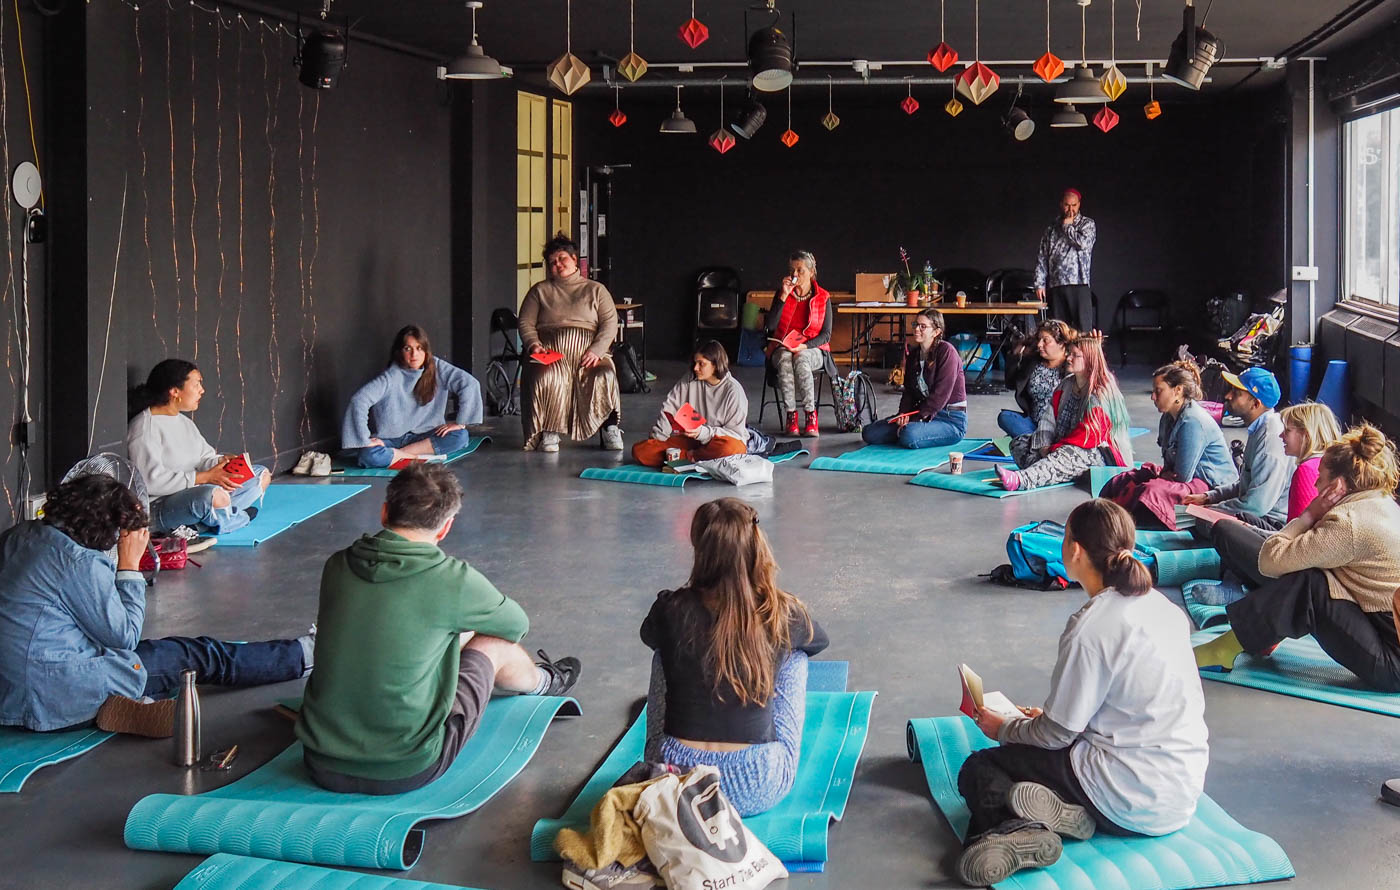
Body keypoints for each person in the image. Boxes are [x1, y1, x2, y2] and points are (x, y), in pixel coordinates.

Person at [955, 498, 1207, 887]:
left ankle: (1020, 830)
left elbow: (1058, 735)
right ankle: (1069, 813)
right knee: (1039, 745)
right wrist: (1043, 720)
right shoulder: (1165, 609)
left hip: (1124, 797)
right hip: (1179, 796)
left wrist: (1004, 727)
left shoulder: (1091, 627)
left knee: (980, 767)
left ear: (1073, 550)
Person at [297, 463, 581, 794]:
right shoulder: (453, 579)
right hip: (407, 767)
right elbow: (516, 626)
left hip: (319, 761)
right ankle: (545, 683)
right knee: (491, 643)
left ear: (384, 511)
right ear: (445, 528)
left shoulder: (337, 564)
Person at [0, 474, 312, 736]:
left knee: (153, 662)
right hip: (60, 690)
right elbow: (124, 637)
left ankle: (130, 701)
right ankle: (305, 653)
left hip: (10, 694)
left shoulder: (20, 535)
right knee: (198, 653)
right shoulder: (78, 562)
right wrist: (129, 565)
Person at [641, 498, 828, 816]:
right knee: (794, 655)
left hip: (676, 783)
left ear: (701, 549)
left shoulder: (670, 607)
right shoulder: (781, 611)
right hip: (757, 783)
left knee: (664, 649)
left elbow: (649, 636)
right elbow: (818, 641)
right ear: (757, 548)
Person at [1193, 425, 1400, 691]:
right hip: (1383, 632)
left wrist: (1309, 515)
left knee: (1311, 584)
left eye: (1320, 478)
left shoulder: (1349, 522)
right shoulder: (1381, 502)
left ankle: (1226, 648)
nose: (1315, 484)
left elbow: (1270, 560)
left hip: (1392, 662)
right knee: (1306, 574)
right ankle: (1264, 631)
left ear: (1336, 485)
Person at [1188, 401, 1342, 607]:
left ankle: (1243, 588)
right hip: (1298, 545)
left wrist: (1248, 529)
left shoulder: (1307, 469)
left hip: (1298, 562)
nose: (1281, 436)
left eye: (1287, 431)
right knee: (1240, 521)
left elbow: (1296, 542)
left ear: (1305, 434)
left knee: (1225, 529)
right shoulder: (1316, 464)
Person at [127, 359, 270, 537]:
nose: (202, 390)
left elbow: (203, 457)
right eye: (196, 384)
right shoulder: (144, 427)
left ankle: (206, 521)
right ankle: (237, 518)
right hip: (159, 508)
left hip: (192, 492)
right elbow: (150, 482)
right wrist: (204, 478)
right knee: (212, 496)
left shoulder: (184, 422)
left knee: (260, 475)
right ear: (174, 391)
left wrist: (221, 462)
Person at [1099, 360, 1237, 530]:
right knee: (1126, 479)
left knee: (1151, 491)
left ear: (1178, 391)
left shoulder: (1192, 422)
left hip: (1209, 485)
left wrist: (1163, 477)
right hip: (1186, 478)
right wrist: (1163, 475)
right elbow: (1169, 468)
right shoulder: (1168, 417)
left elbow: (1182, 477)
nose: (1153, 397)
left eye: (1158, 391)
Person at [517, 233, 623, 453]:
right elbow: (526, 323)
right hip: (551, 353)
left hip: (589, 353)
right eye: (552, 262)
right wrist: (534, 344)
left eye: (562, 258)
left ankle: (610, 427)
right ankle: (549, 430)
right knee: (546, 376)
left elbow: (610, 324)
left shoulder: (596, 289)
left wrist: (597, 350)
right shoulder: (540, 291)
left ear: (575, 259)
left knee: (604, 375)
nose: (558, 265)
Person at [995, 335, 1134, 491]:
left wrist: (1055, 449)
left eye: (1075, 355)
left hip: (1097, 452)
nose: (1068, 358)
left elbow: (1088, 435)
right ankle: (1052, 470)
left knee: (1067, 454)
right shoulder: (1066, 384)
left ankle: (1023, 479)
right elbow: (1048, 419)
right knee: (1018, 443)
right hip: (1059, 445)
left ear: (1089, 359)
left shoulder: (1101, 392)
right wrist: (1044, 445)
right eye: (1069, 353)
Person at [340, 325, 483, 469]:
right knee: (368, 455)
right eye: (408, 349)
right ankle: (414, 457)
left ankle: (399, 455)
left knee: (460, 436)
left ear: (426, 350)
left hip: (425, 436)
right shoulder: (390, 377)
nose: (414, 354)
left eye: (419, 348)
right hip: (392, 440)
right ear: (400, 352)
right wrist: (365, 439)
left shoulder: (437, 367)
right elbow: (359, 401)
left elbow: (469, 384)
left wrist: (461, 422)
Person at [1180, 368, 1291, 529]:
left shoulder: (1269, 440)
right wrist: (1208, 497)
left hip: (1272, 522)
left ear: (1256, 404)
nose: (1228, 396)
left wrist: (1210, 511)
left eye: (1236, 393)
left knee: (1204, 523)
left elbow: (1256, 506)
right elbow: (1245, 484)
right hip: (1256, 513)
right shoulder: (1260, 429)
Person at [860, 308, 968, 449]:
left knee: (908, 434)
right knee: (870, 433)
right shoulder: (913, 355)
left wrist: (914, 420)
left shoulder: (947, 352)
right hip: (920, 413)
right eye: (915, 325)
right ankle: (909, 431)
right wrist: (903, 415)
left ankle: (910, 432)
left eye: (923, 326)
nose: (917, 329)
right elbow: (909, 392)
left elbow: (940, 396)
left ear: (936, 332)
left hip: (949, 419)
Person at [633, 340, 749, 467]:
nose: (695, 368)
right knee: (641, 450)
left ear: (716, 365)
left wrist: (703, 432)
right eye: (695, 362)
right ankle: (691, 458)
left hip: (718, 441)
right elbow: (670, 407)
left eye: (701, 364)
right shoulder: (690, 378)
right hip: (693, 441)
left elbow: (736, 434)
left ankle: (686, 458)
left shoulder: (733, 391)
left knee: (730, 449)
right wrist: (657, 440)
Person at [763, 250, 836, 437]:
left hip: (812, 348)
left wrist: (803, 346)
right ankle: (791, 416)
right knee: (786, 359)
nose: (795, 275)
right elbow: (770, 326)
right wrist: (783, 297)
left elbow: (826, 335)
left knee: (801, 358)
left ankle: (811, 415)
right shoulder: (782, 293)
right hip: (783, 347)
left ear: (811, 272)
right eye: (792, 270)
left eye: (800, 270)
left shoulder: (823, 298)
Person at [1033, 189, 1097, 332]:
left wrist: (1068, 227)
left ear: (1079, 204)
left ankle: (1082, 355)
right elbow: (1042, 256)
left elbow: (1083, 245)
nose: (1070, 209)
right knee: (1058, 331)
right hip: (1056, 286)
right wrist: (1039, 283)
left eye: (1074, 205)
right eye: (1067, 205)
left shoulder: (1087, 224)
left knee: (1082, 331)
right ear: (1061, 204)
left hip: (1079, 284)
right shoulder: (1052, 228)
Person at [999, 320, 1076, 438]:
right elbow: (1010, 384)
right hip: (1034, 424)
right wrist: (1015, 356)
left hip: (1059, 428)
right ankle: (1037, 441)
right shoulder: (1034, 362)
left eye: (1046, 340)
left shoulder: (1072, 365)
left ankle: (1030, 441)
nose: (1040, 344)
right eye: (1039, 340)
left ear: (1061, 343)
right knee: (1005, 417)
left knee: (1015, 439)